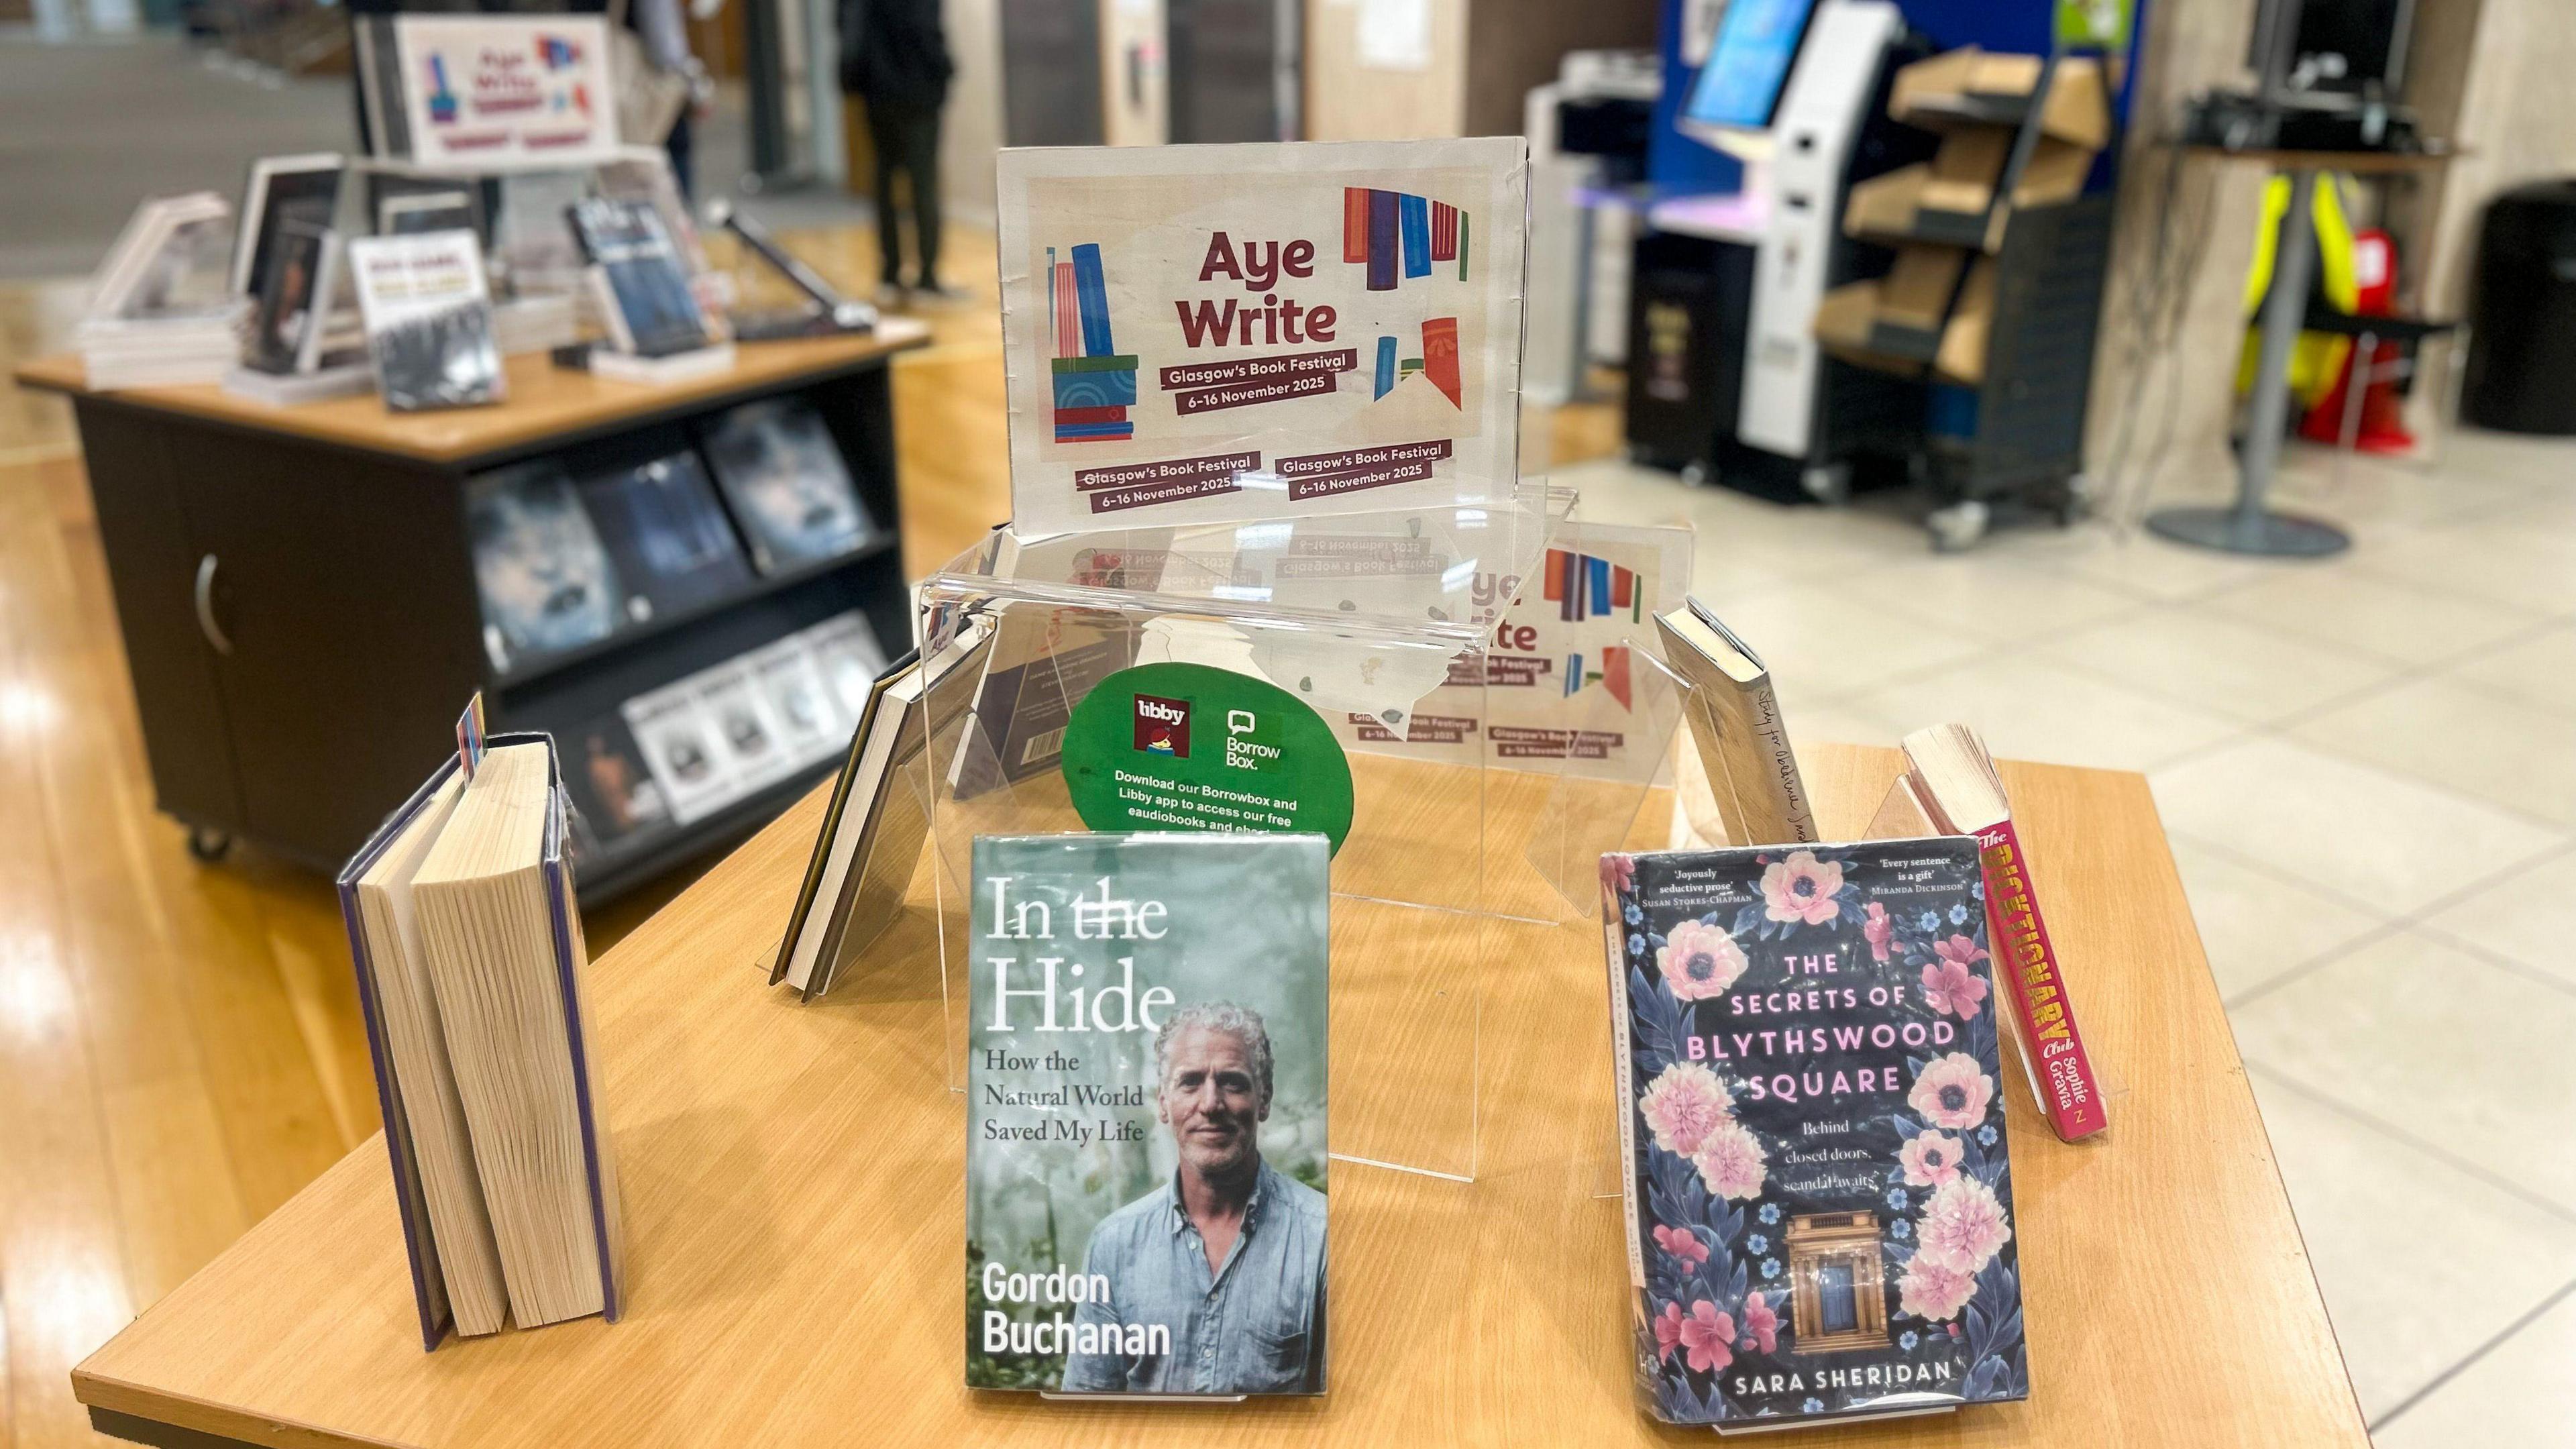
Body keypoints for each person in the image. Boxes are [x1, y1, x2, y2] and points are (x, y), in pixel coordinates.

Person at [1061, 1003, 1327, 1395]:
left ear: (1264, 1099)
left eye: (1233, 1082)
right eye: (1190, 1082)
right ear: (1164, 1103)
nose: (1211, 1104)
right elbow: (1085, 1411)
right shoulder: (1114, 1244)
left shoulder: (1322, 1237)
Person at [836, 0, 958, 306]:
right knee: (923, 183)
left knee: (885, 179)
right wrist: (945, 68)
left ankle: (890, 274)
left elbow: (843, 24)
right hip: (917, 90)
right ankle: (927, 277)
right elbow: (924, 29)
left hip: (876, 90)